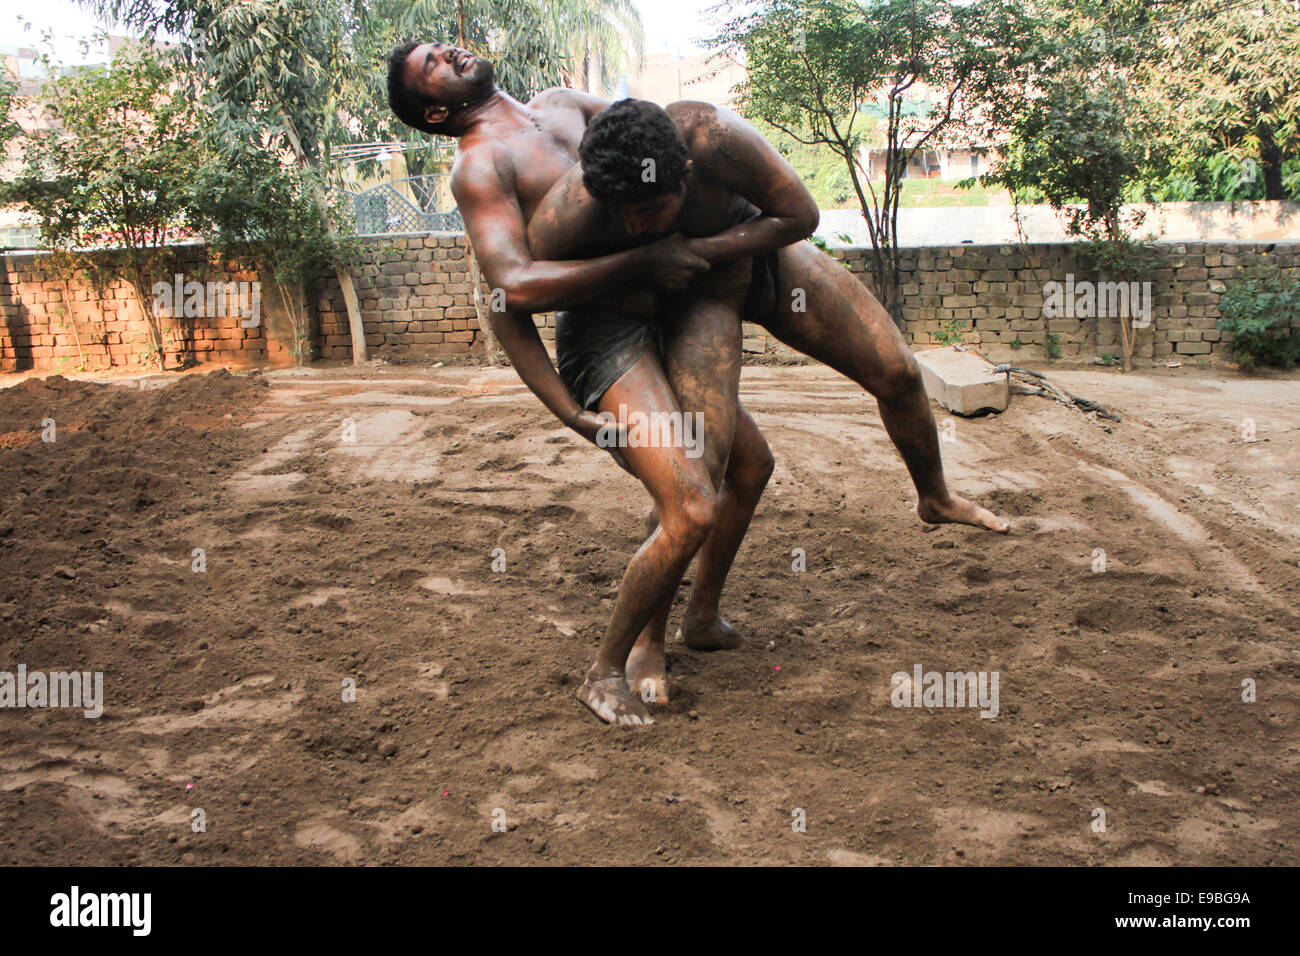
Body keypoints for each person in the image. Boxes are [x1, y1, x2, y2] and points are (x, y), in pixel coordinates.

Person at [387, 43, 1009, 726]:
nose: (448, 52)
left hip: (703, 266)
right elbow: (509, 295)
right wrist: (571, 404)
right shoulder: (484, 167)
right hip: (616, 316)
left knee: (822, 418)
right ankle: (635, 647)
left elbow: (662, 140)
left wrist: (708, 240)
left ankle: (714, 608)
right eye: (431, 65)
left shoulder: (565, 106)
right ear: (436, 109)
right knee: (696, 485)